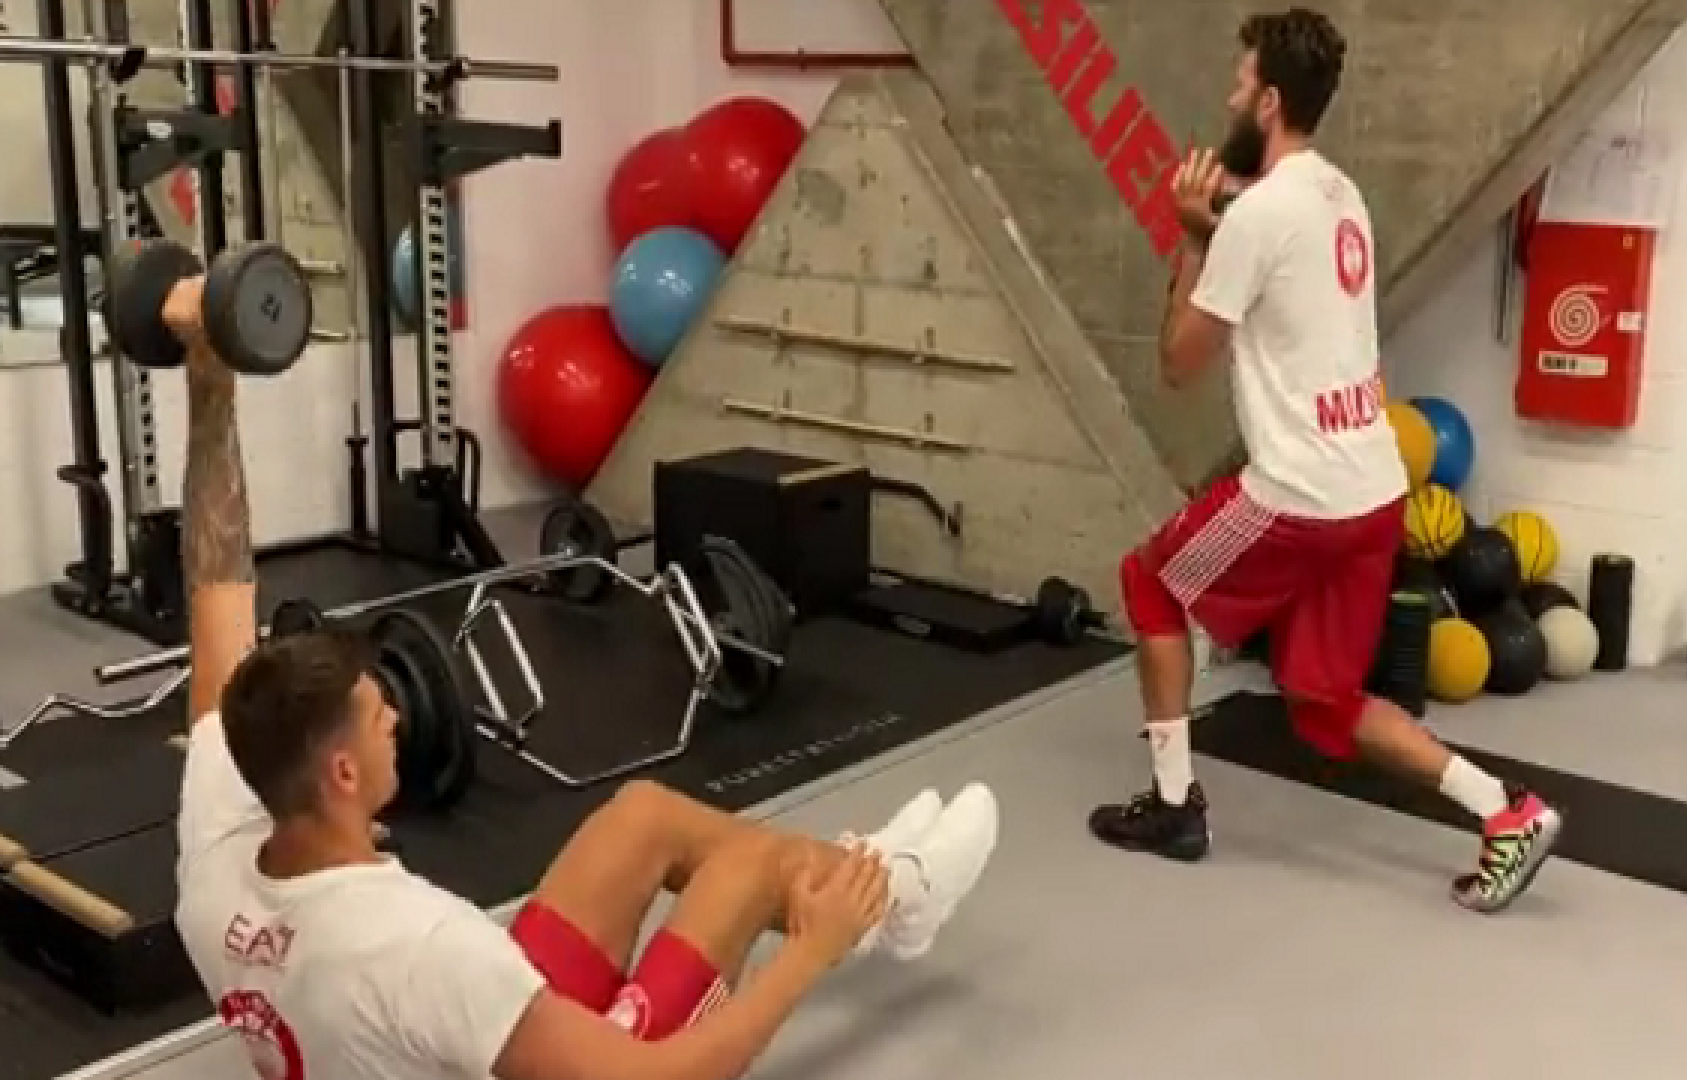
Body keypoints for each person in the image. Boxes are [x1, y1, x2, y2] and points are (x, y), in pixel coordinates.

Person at [164, 275, 1001, 1080]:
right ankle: (890, 894)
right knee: (746, 872)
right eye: (380, 716)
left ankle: (889, 891)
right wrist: (809, 955)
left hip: (441, 1035)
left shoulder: (220, 856)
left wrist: (210, 374)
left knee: (643, 816)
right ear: (343, 774)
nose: (398, 720)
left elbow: (217, 590)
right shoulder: (421, 944)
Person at [1086, 8, 1564, 914]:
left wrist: (1192, 235)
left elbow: (1179, 365)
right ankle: (1506, 810)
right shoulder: (1341, 196)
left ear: (1269, 102)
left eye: (1240, 85)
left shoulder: (1258, 217)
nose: (1230, 97)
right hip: (1372, 489)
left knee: (1149, 584)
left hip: (1298, 494)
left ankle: (1176, 807)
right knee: (1321, 698)